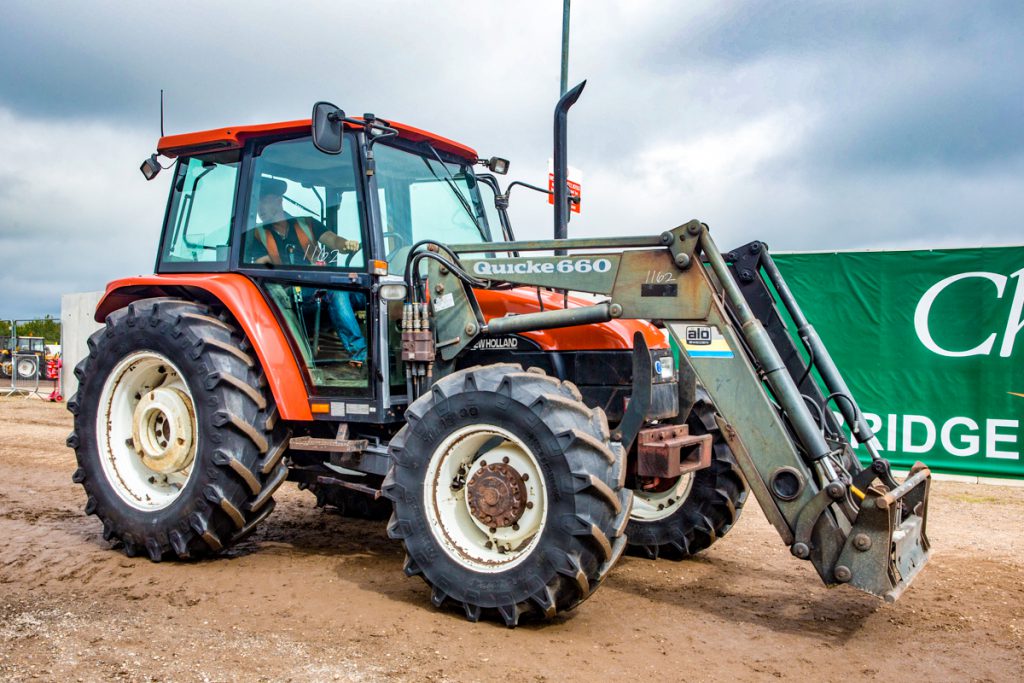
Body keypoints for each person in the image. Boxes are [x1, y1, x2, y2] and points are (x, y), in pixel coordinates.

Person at [244, 178, 367, 364]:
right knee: (337, 292)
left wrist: (346, 244)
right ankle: (360, 357)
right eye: (257, 202)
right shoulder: (256, 235)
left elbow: (333, 240)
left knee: (371, 290)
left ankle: (385, 352)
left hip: (321, 284)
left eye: (265, 200)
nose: (260, 208)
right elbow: (264, 265)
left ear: (278, 200)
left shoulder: (306, 224)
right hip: (293, 291)